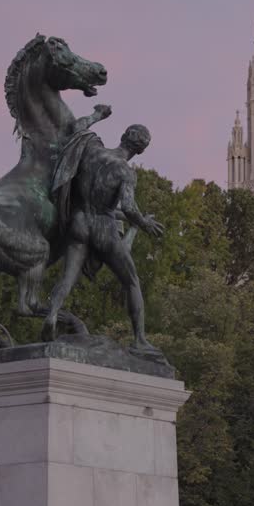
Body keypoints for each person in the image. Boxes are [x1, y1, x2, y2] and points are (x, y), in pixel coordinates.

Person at [44, 124, 164, 354]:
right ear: (141, 150)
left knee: (67, 277)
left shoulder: (92, 150)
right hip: (103, 226)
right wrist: (143, 223)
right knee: (131, 281)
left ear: (122, 136)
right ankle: (139, 340)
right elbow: (128, 207)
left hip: (78, 221)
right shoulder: (126, 172)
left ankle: (52, 314)